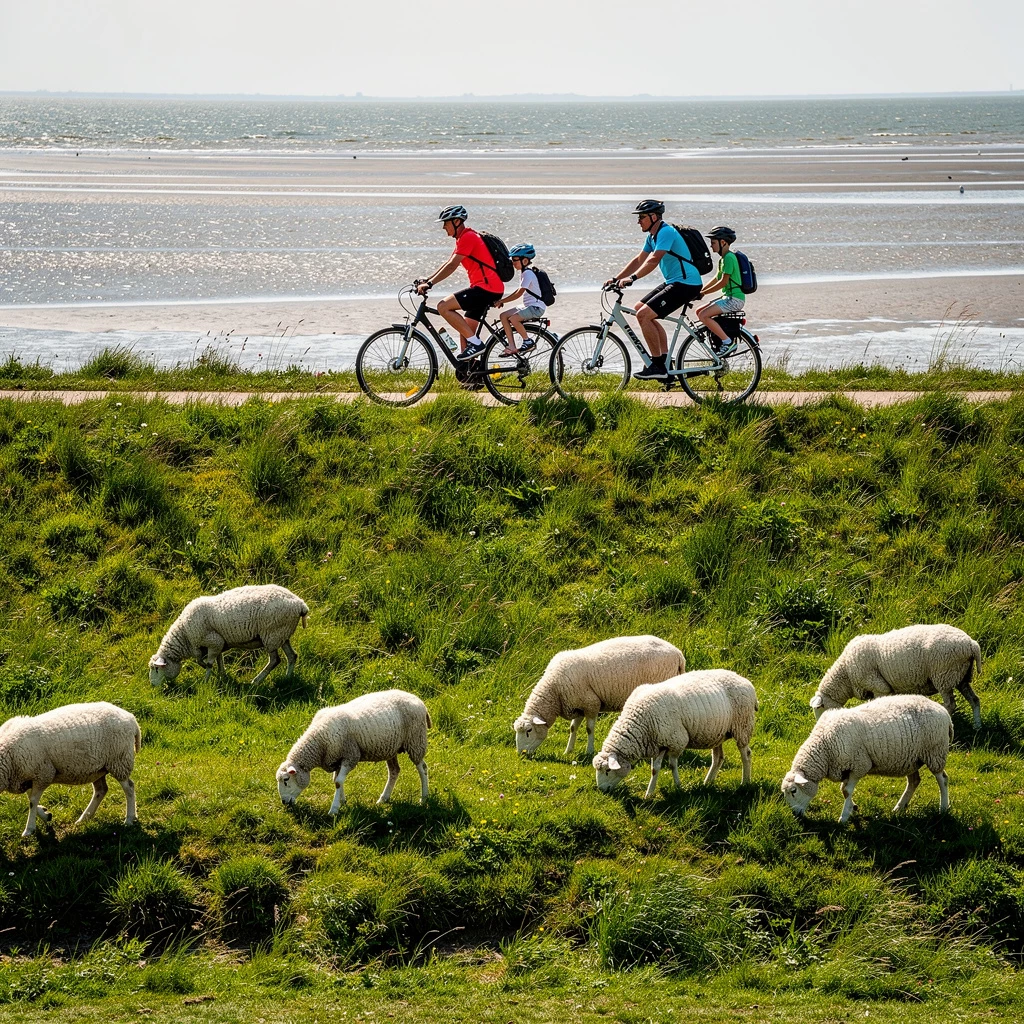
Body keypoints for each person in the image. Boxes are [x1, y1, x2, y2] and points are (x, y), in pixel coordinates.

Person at [606, 200, 704, 381]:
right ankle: (665, 362)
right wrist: (617, 278)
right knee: (639, 309)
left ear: (654, 216)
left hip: (686, 283)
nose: (639, 221)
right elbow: (639, 259)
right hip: (674, 281)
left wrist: (632, 278)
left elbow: (654, 259)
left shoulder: (666, 232)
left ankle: (657, 365)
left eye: (642, 217)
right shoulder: (652, 236)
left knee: (644, 315)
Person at [415, 205, 504, 362]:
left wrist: (430, 285)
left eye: (446, 223)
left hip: (486, 289)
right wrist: (427, 280)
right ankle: (471, 377)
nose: (443, 227)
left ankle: (477, 344)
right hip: (486, 288)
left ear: (456, 221)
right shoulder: (463, 238)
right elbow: (448, 263)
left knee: (443, 307)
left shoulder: (468, 237)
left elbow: (452, 266)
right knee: (466, 333)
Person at [697, 226, 744, 353]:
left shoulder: (729, 258)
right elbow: (716, 279)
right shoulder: (723, 259)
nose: (711, 246)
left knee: (703, 315)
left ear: (723, 242)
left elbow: (723, 282)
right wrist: (700, 291)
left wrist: (704, 293)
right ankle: (717, 339)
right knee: (699, 311)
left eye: (713, 242)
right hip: (728, 297)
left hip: (735, 299)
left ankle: (727, 342)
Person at [495, 243, 545, 355]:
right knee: (503, 316)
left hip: (536, 308)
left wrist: (502, 301)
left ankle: (528, 341)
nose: (512, 263)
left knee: (514, 319)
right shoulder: (524, 273)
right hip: (529, 306)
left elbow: (519, 293)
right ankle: (511, 346)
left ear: (525, 261)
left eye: (515, 260)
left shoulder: (528, 273)